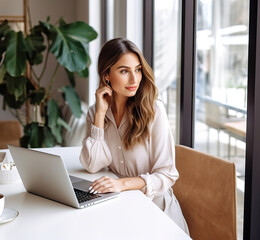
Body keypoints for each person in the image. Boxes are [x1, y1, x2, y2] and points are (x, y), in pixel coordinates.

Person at [79, 38, 189, 235]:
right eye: (124, 71)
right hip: (122, 209)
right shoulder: (96, 112)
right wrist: (100, 115)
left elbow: (167, 174)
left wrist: (121, 184)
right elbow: (93, 164)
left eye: (137, 69)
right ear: (106, 75)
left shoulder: (154, 111)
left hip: (157, 213)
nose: (134, 79)